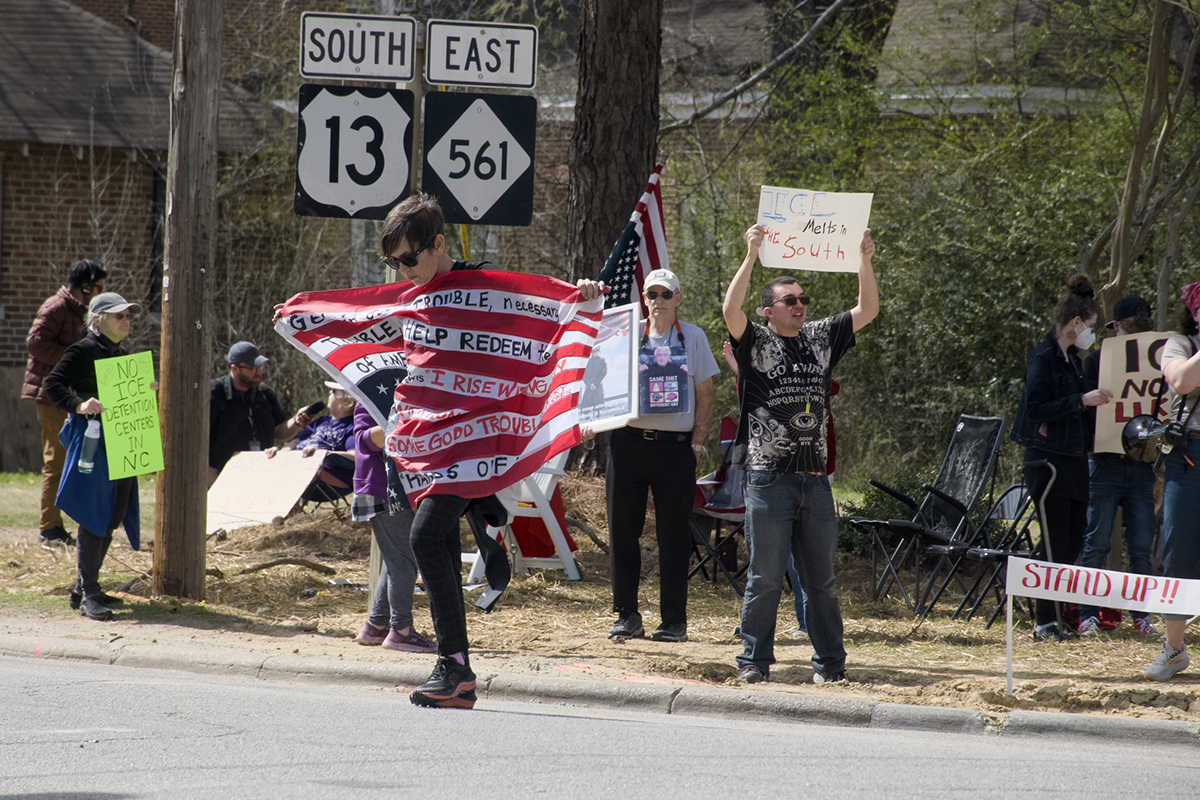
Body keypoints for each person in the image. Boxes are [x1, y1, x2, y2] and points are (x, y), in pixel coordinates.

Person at [377, 193, 605, 708]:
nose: (402, 270)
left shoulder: (487, 293)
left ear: (438, 244)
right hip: (432, 449)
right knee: (428, 537)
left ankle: (454, 668)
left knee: (427, 535)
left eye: (410, 258)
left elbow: (542, 321)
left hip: (476, 447)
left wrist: (582, 295)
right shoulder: (409, 299)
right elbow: (368, 325)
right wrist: (310, 316)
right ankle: (455, 663)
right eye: (392, 262)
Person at [722, 224, 877, 684]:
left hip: (814, 477)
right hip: (768, 477)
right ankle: (753, 662)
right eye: (790, 300)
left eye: (804, 298)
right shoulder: (755, 340)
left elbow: (868, 308)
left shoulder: (821, 336)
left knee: (821, 583)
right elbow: (730, 308)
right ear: (769, 311)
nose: (800, 305)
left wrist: (865, 259)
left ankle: (831, 666)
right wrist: (750, 255)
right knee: (765, 579)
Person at [607, 268, 718, 643]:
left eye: (665, 295)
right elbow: (602, 378)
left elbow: (706, 392)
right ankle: (627, 615)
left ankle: (673, 621)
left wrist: (698, 442)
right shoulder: (625, 335)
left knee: (673, 535)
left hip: (675, 449)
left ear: (678, 299)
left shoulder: (695, 338)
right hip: (628, 443)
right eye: (652, 294)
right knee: (623, 531)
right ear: (644, 299)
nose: (658, 302)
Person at [1011, 275, 1112, 642]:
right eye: (1090, 327)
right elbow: (1036, 408)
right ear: (1074, 323)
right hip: (1047, 461)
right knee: (1053, 541)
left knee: (1070, 543)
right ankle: (1043, 622)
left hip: (1072, 459)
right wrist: (1080, 401)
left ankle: (1052, 614)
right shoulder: (1043, 358)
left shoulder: (1072, 360)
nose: (1091, 334)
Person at [41, 292, 143, 621]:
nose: (126, 320)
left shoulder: (122, 354)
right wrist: (80, 404)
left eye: (129, 316)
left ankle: (84, 587)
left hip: (123, 442)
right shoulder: (82, 350)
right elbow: (52, 385)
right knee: (93, 514)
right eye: (119, 316)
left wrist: (144, 390)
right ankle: (91, 594)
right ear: (97, 320)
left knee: (114, 514)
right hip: (93, 445)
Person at [1077, 295, 1159, 637]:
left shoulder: (1159, 362)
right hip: (1106, 463)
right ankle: (1086, 616)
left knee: (1141, 546)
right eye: (1129, 325)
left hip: (1141, 465)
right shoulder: (1096, 362)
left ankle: (1141, 617)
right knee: (1096, 542)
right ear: (1116, 327)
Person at [23, 258, 107, 547]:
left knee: (75, 462)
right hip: (51, 398)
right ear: (85, 287)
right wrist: (73, 357)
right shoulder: (56, 307)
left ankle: (68, 524)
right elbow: (35, 343)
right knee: (56, 462)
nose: (99, 293)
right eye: (97, 288)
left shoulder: (79, 311)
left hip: (73, 399)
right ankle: (49, 528)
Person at [1144, 281, 1200, 680]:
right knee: (1178, 552)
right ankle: (1175, 649)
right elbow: (1180, 381)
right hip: (1189, 458)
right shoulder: (1178, 344)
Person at [350, 401, 436, 653]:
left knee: (396, 557)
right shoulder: (369, 394)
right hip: (380, 488)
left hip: (396, 488)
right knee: (404, 560)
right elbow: (364, 441)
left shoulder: (401, 394)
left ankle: (375, 627)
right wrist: (400, 422)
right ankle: (401, 632)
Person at [208, 341, 312, 487]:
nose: (258, 372)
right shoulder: (214, 392)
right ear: (235, 368)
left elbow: (280, 433)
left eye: (260, 367)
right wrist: (206, 469)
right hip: (221, 472)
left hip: (260, 472)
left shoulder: (265, 394)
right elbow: (199, 438)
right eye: (253, 368)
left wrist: (297, 422)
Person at [267, 381, 356, 503]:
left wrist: (323, 453)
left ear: (347, 400)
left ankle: (288, 508)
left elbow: (355, 456)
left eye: (334, 391)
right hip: (297, 466)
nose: (330, 392)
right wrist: (280, 454)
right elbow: (293, 443)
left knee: (308, 468)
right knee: (267, 460)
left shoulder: (352, 426)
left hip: (326, 476)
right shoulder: (321, 421)